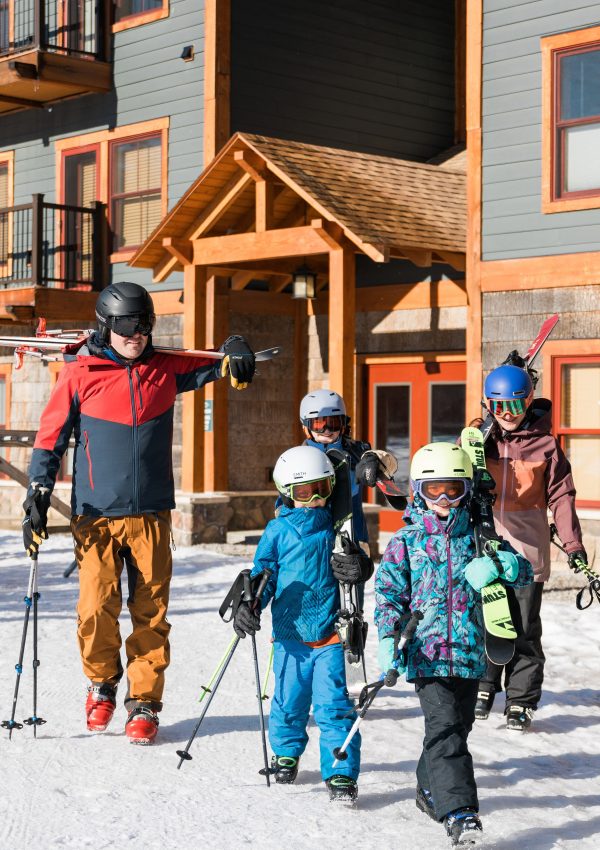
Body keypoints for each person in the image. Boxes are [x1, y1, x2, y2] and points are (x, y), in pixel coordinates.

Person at [21, 281, 257, 745]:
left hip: (150, 513)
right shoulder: (79, 373)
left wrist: (233, 351)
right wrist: (38, 491)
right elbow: (50, 438)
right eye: (127, 325)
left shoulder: (164, 370)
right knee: (95, 608)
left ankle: (144, 702)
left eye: (145, 325)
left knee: (151, 613)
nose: (137, 334)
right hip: (95, 515)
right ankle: (102, 684)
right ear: (106, 325)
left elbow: (214, 365)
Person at [374, 442, 533, 844]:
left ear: (467, 490)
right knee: (445, 730)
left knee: (455, 730)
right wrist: (389, 636)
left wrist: (498, 564)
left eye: (453, 489)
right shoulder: (405, 542)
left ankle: (429, 789)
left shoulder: (479, 537)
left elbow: (525, 572)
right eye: (433, 491)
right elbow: (389, 595)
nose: (444, 500)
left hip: (471, 654)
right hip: (426, 655)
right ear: (418, 492)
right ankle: (461, 813)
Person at [232, 445, 373, 803]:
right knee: (288, 702)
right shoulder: (277, 531)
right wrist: (251, 604)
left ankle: (340, 772)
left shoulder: (338, 529)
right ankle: (286, 752)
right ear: (287, 493)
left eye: (321, 489)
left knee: (334, 708)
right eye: (303, 492)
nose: (313, 500)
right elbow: (266, 574)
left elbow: (358, 567)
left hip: (331, 636)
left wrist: (360, 565)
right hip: (290, 635)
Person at [472, 364, 587, 731]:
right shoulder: (480, 437)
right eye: (499, 406)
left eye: (515, 406)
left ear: (529, 401)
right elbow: (455, 480)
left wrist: (572, 543)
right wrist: (477, 441)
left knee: (522, 627)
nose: (507, 415)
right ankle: (484, 685)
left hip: (527, 552)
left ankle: (520, 699)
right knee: (484, 620)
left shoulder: (546, 445)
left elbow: (562, 495)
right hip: (485, 549)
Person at [299, 389, 399, 552]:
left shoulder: (356, 451)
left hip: (352, 538)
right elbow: (282, 505)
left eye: (334, 423)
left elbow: (390, 464)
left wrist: (374, 458)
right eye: (318, 424)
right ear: (306, 427)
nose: (327, 430)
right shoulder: (298, 458)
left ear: (343, 424)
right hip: (311, 539)